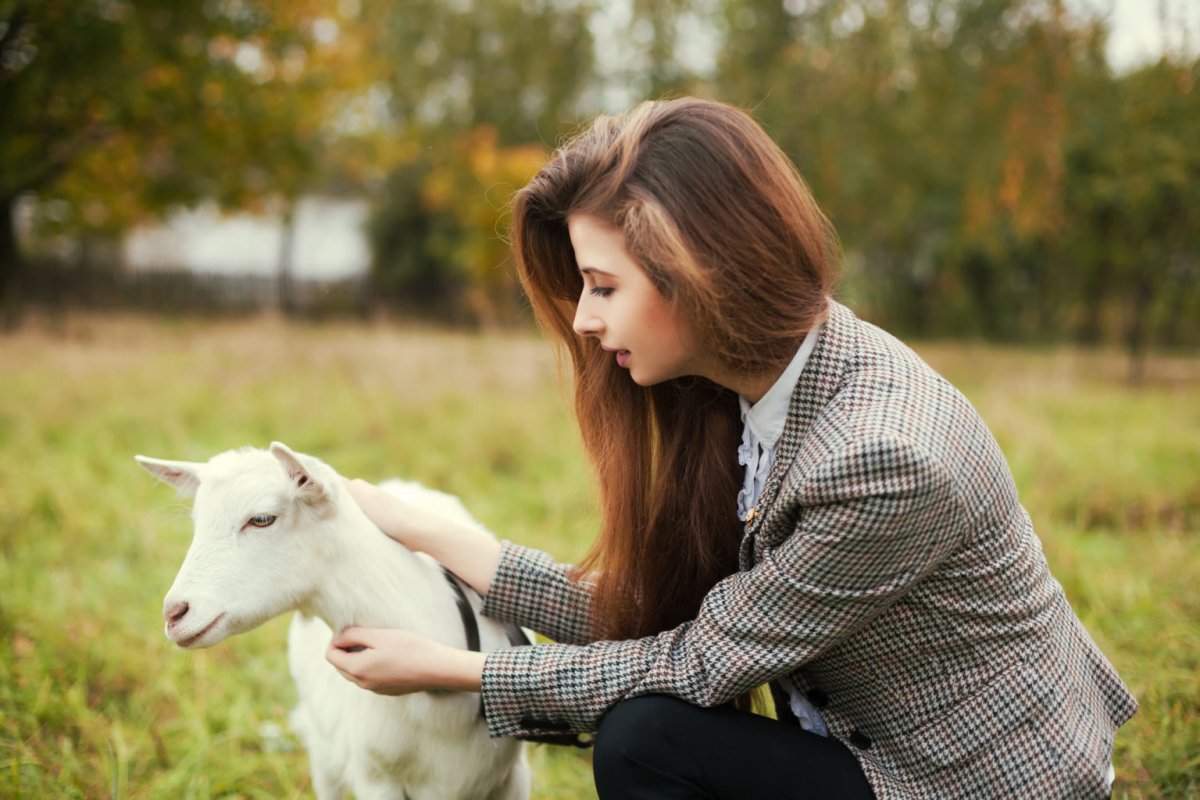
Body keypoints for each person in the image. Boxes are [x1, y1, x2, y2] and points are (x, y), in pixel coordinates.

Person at [325, 97, 1137, 799]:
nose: (583, 319)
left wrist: (454, 669)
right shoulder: (757, 384)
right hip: (871, 741)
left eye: (603, 286)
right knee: (647, 732)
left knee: (646, 742)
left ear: (700, 269)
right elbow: (655, 612)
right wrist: (418, 527)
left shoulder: (882, 460)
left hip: (973, 778)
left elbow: (698, 660)